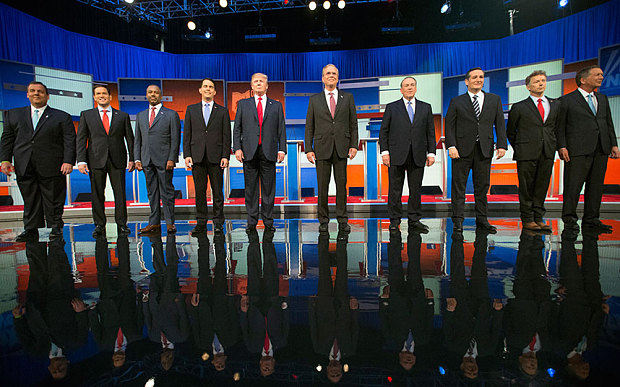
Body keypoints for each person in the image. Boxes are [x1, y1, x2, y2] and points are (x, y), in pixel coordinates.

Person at [0, 81, 75, 241]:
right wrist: (5, 160)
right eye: (32, 91)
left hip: (53, 165)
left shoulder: (61, 116)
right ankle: (31, 229)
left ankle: (56, 227)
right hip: (24, 164)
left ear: (47, 96)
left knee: (54, 197)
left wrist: (68, 161)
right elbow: (7, 139)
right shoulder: (13, 114)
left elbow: (69, 141)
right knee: (30, 198)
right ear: (27, 94)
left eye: (40, 91)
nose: (36, 93)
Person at [557, 66, 619, 233]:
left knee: (596, 186)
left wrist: (613, 144)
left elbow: (608, 123)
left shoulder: (602, 98)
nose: (601, 76)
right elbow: (560, 126)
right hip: (577, 150)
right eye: (597, 74)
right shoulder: (566, 100)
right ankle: (569, 219)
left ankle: (592, 220)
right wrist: (562, 146)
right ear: (583, 79)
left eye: (601, 74)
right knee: (573, 186)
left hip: (601, 148)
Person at [445, 67, 507, 233]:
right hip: (461, 151)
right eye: (474, 77)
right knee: (459, 188)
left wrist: (502, 144)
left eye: (481, 77)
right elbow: (449, 126)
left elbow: (500, 123)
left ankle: (482, 221)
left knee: (482, 187)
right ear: (467, 81)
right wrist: (451, 146)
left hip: (484, 149)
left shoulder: (494, 99)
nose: (478, 80)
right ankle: (458, 221)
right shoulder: (456, 101)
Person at [305, 64, 359, 233]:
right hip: (321, 148)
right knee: (322, 186)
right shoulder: (314, 99)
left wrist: (353, 145)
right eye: (328, 73)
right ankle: (323, 220)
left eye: (334, 73)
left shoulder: (348, 97)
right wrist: (308, 148)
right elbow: (309, 126)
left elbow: (353, 124)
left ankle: (343, 220)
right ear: (322, 78)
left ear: (337, 77)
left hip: (342, 148)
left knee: (341, 186)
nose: (331, 75)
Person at [76, 85, 135, 238]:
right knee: (97, 194)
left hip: (118, 160)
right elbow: (81, 139)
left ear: (110, 97)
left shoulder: (122, 116)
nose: (101, 96)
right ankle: (99, 225)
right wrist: (81, 160)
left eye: (104, 93)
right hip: (95, 159)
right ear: (94, 97)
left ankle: (122, 224)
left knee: (120, 194)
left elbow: (130, 139)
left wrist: (133, 158)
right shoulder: (86, 115)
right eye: (98, 94)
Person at [379, 76, 436, 233]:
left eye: (412, 85)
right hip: (396, 154)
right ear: (401, 89)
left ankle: (414, 220)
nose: (409, 87)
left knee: (415, 189)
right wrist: (385, 152)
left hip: (418, 154)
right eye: (406, 85)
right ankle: (394, 220)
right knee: (395, 189)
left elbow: (430, 132)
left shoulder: (426, 107)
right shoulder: (392, 107)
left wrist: (431, 153)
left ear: (416, 88)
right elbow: (384, 131)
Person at [232, 73, 286, 233]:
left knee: (269, 190)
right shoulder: (243, 104)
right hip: (249, 152)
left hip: (269, 152)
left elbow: (281, 129)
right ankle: (251, 221)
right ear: (251, 85)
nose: (259, 84)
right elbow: (237, 129)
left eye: (262, 81)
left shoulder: (276, 105)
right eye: (256, 81)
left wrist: (282, 149)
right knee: (251, 189)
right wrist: (237, 148)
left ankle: (269, 221)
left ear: (267, 85)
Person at [507, 70, 559, 232]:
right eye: (536, 81)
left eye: (543, 80)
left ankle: (539, 218)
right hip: (526, 152)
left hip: (547, 151)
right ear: (528, 87)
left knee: (542, 186)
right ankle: (528, 219)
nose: (541, 83)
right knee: (527, 187)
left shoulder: (555, 104)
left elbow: (556, 128)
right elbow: (511, 132)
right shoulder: (519, 107)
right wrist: (522, 147)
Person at [183, 78, 231, 236]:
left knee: (218, 192)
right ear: (200, 90)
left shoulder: (222, 111)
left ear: (215, 91)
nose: (208, 89)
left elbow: (226, 135)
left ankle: (218, 223)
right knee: (200, 191)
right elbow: (187, 134)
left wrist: (226, 155)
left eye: (211, 87)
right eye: (205, 86)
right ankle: (201, 223)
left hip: (217, 157)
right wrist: (187, 154)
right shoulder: (191, 109)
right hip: (197, 156)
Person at [134, 85, 181, 235]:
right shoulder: (141, 115)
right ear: (146, 95)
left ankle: (169, 223)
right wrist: (137, 158)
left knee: (167, 192)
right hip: (146, 160)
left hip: (164, 160)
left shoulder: (171, 114)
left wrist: (172, 158)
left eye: (156, 92)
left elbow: (175, 139)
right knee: (151, 193)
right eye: (150, 92)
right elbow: (138, 140)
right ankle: (153, 223)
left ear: (161, 96)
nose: (153, 94)